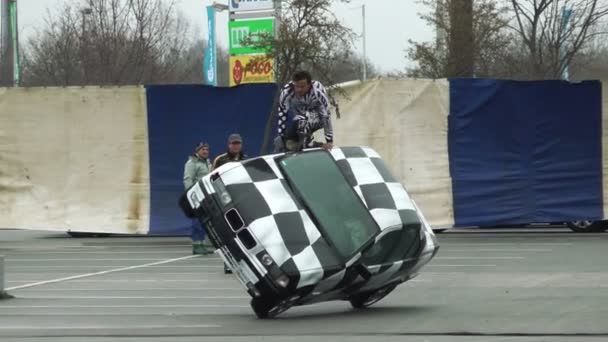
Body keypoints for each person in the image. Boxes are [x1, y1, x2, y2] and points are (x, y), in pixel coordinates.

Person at [212, 133, 247, 274]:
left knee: (243, 232)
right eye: (233, 143)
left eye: (238, 143)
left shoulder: (246, 159)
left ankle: (244, 263)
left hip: (241, 200)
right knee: (227, 233)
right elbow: (211, 179)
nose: (236, 146)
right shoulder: (220, 160)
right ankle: (228, 262)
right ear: (228, 144)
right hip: (225, 201)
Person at [274, 70, 334, 152]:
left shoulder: (318, 91)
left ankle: (308, 143)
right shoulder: (287, 91)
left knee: (304, 117)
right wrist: (281, 136)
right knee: (289, 137)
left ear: (309, 85)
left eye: (302, 87)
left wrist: (329, 141)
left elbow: (326, 116)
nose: (299, 90)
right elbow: (282, 113)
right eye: (296, 86)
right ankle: (293, 144)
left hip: (318, 119)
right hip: (298, 120)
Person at [183, 142, 214, 255]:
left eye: (207, 149)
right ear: (197, 151)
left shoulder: (207, 162)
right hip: (196, 195)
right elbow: (187, 179)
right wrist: (190, 195)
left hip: (206, 195)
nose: (205, 151)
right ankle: (196, 245)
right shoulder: (192, 163)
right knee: (197, 221)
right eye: (203, 149)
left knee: (204, 221)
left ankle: (202, 244)